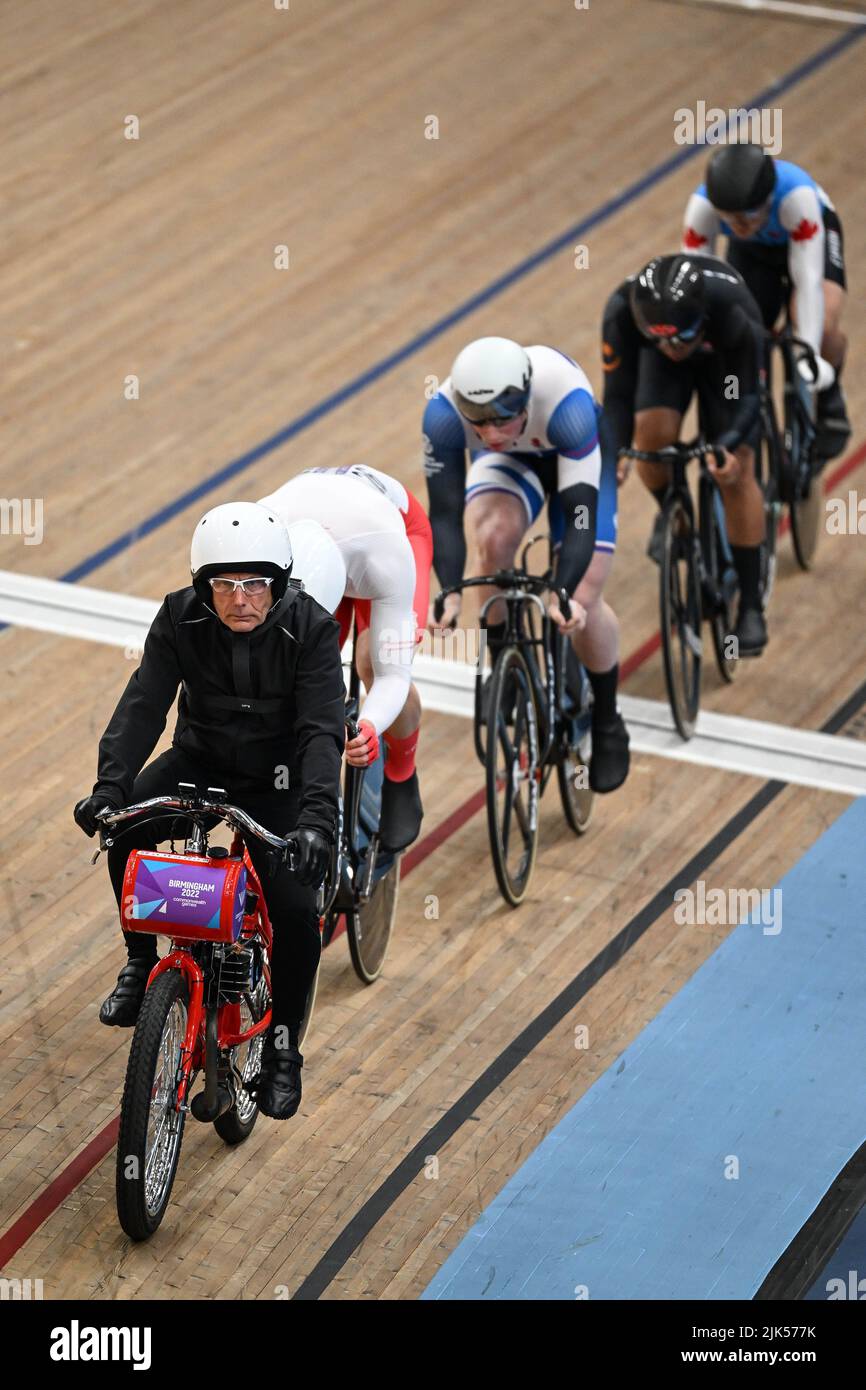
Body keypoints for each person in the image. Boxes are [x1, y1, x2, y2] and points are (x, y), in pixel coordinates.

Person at [72, 502, 346, 1122]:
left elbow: (321, 734)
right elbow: (144, 701)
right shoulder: (178, 617)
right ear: (204, 587)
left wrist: (316, 822)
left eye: (255, 584)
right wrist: (111, 788)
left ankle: (282, 1050)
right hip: (200, 762)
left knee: (299, 909)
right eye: (225, 584)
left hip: (280, 784)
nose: (240, 598)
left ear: (277, 585)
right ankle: (142, 960)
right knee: (125, 834)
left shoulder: (313, 630)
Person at [423, 335, 629, 794]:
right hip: (513, 463)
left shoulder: (567, 403)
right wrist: (450, 589)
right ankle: (505, 658)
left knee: (583, 598)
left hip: (576, 460)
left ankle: (608, 716)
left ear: (525, 397)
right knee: (493, 540)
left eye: (502, 418)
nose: (491, 432)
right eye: (479, 422)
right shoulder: (442, 416)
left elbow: (579, 514)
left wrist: (565, 589)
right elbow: (444, 513)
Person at [602, 252, 768, 655]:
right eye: (661, 337)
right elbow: (618, 398)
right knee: (651, 441)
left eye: (679, 336)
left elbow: (749, 397)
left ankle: (749, 605)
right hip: (661, 369)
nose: (672, 346)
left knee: (736, 472)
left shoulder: (732, 310)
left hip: (725, 368)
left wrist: (727, 444)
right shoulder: (623, 312)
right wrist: (617, 455)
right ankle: (672, 511)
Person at [259, 463, 432, 851]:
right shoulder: (259, 533)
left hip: (395, 528)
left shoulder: (386, 556)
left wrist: (370, 726)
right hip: (316, 522)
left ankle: (402, 774)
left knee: (374, 659)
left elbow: (393, 678)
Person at [683, 142, 850, 457]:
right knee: (743, 329)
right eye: (729, 219)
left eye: (748, 216)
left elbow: (808, 281)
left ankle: (830, 401)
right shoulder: (701, 211)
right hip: (753, 253)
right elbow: (703, 289)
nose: (741, 226)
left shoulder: (796, 198)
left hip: (807, 237)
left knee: (822, 325)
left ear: (768, 199)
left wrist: (808, 353)